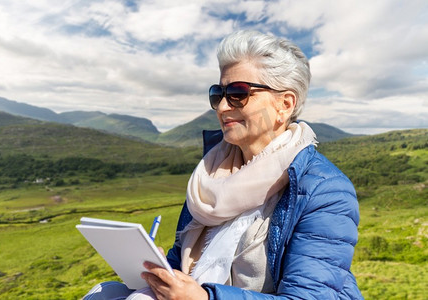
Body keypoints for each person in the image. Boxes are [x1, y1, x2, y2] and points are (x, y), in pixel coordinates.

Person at [84, 30, 363, 299]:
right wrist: (162, 270)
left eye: (238, 93)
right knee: (106, 293)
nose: (221, 107)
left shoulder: (326, 191)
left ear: (285, 104)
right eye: (218, 93)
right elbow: (186, 260)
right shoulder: (209, 176)